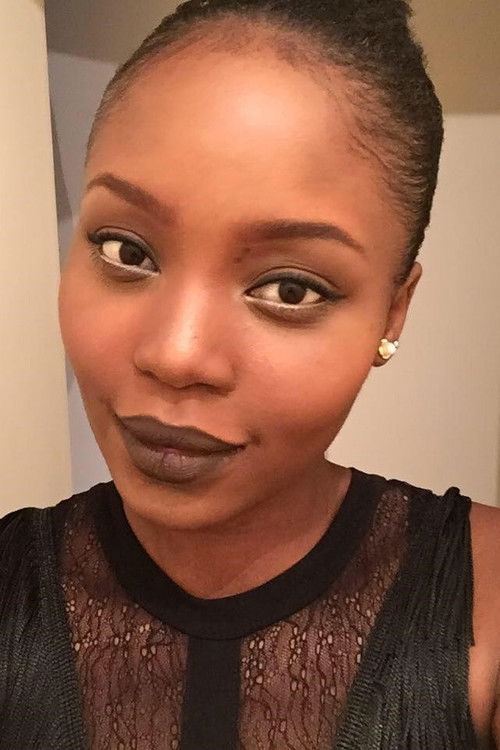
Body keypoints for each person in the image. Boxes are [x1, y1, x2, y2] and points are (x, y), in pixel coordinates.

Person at [0, 0, 499, 747]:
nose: (177, 354)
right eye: (126, 250)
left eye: (290, 289)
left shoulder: (485, 602)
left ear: (393, 313)